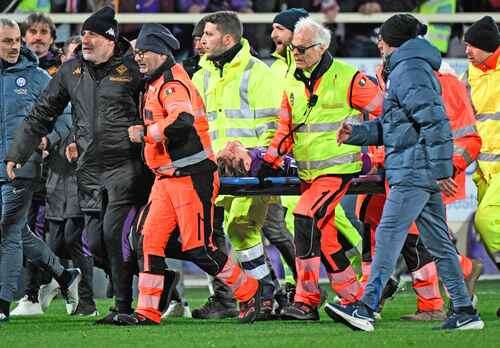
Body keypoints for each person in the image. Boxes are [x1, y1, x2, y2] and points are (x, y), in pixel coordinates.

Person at [327, 14, 484, 331]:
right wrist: (357, 135)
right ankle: (466, 312)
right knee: (439, 244)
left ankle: (366, 308)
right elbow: (398, 127)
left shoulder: (407, 69)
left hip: (413, 170)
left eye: (381, 38)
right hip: (418, 168)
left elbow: (435, 123)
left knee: (387, 237)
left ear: (392, 41)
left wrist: (443, 170)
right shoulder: (411, 67)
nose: (379, 44)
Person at [5, 7, 149, 323]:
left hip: (126, 166)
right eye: (83, 34)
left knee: (113, 235)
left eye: (93, 35)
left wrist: (146, 132)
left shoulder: (134, 69)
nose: (85, 40)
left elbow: (156, 107)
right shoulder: (71, 71)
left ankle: (123, 308)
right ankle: (159, 277)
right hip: (88, 169)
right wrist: (17, 152)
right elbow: (41, 114)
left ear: (111, 39)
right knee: (94, 244)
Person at [114, 23, 262, 325]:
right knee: (148, 241)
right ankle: (147, 311)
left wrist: (146, 133)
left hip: (192, 177)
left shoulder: (171, 84)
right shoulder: (157, 81)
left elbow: (181, 121)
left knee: (199, 247)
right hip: (168, 178)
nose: (139, 58)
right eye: (138, 52)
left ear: (161, 53)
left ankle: (251, 291)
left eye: (144, 52)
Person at [260, 17, 382, 321]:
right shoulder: (292, 79)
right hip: (307, 173)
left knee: (304, 215)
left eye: (302, 48)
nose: (296, 53)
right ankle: (356, 299)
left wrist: (378, 155)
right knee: (325, 239)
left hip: (337, 170)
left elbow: (388, 113)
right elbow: (285, 128)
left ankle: (306, 300)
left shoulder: (349, 78)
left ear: (322, 47)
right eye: (293, 48)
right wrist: (271, 158)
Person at [191, 11, 282, 320]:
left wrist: (257, 159)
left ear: (227, 39)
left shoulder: (258, 73)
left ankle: (266, 294)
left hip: (251, 169)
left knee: (242, 229)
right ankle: (266, 293)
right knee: (216, 236)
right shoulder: (200, 75)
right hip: (214, 172)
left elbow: (273, 125)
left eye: (209, 34)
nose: (202, 40)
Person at [0, 18, 80, 324]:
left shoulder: (36, 78)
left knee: (7, 232)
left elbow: (66, 115)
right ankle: (63, 274)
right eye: (7, 41)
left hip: (21, 168)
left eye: (17, 40)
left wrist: (47, 139)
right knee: (18, 231)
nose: (14, 46)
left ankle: (2, 302)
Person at [462, 15, 500, 316]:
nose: (467, 51)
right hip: (484, 169)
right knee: (488, 228)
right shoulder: (470, 73)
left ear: (488, 46)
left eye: (472, 46)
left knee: (485, 222)